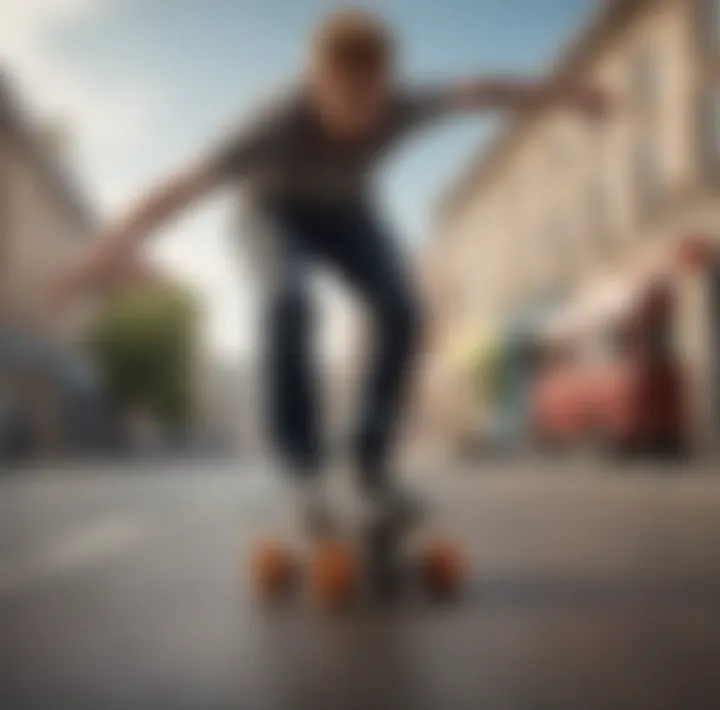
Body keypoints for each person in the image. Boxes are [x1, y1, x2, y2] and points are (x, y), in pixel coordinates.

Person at [55, 9, 610, 539]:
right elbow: (178, 189)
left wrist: (565, 95)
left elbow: (485, 90)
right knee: (289, 299)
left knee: (401, 307)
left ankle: (370, 465)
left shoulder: (403, 104)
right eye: (345, 101)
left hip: (348, 215)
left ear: (387, 83)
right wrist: (108, 246)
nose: (361, 118)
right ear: (315, 83)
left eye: (371, 100)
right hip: (272, 215)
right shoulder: (273, 123)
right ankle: (303, 471)